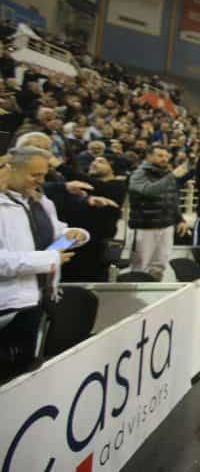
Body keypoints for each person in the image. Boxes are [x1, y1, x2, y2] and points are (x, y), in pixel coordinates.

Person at [0, 147, 87, 381]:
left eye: (43, 175)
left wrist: (74, 235)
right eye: (34, 175)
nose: (40, 180)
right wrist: (48, 259)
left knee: (26, 373)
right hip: (9, 306)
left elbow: (53, 232)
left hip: (38, 299)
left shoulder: (39, 200)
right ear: (11, 169)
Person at [128, 145, 190, 280]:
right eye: (160, 155)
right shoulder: (139, 174)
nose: (164, 159)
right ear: (149, 156)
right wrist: (172, 176)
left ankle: (154, 289)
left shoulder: (167, 174)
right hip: (145, 227)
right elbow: (150, 191)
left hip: (166, 226)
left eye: (166, 156)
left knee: (160, 265)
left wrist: (180, 219)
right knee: (140, 266)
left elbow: (172, 199)